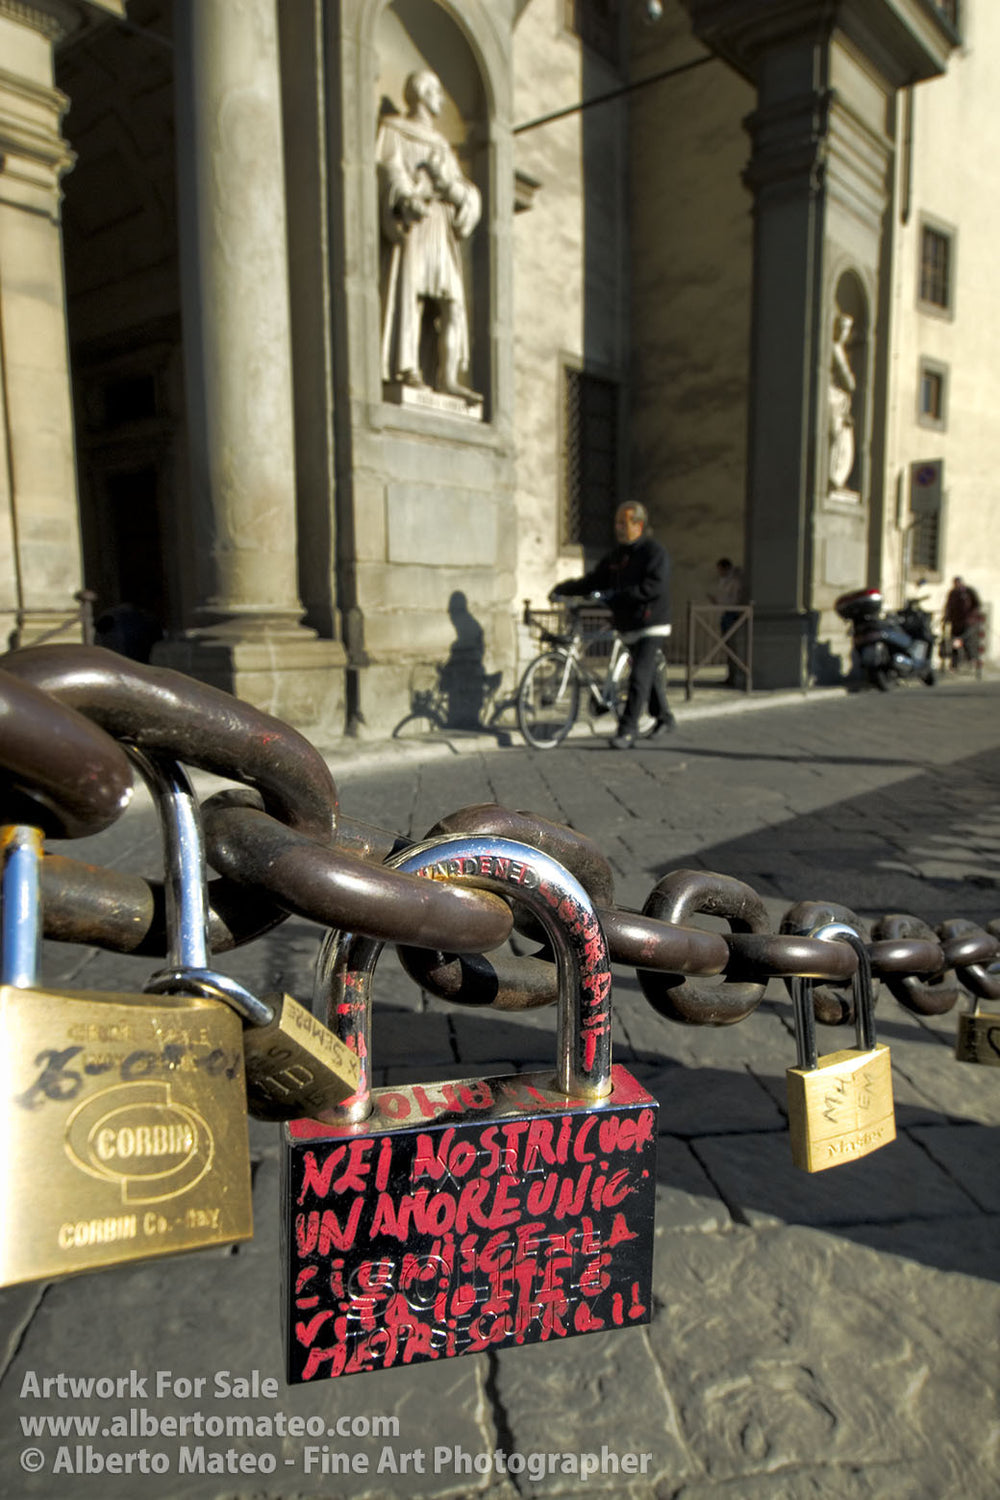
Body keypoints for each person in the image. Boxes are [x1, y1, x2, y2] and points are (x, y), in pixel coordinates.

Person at [376, 70, 481, 402]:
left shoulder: (441, 146)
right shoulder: (394, 130)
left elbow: (461, 189)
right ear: (421, 94)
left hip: (439, 225)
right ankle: (409, 369)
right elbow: (388, 169)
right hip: (415, 225)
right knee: (413, 295)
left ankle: (448, 377)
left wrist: (450, 186)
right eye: (435, 91)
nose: (440, 99)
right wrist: (408, 197)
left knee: (452, 303)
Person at [550, 501, 674, 749]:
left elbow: (653, 587)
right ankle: (665, 717)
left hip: (651, 623)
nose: (618, 527)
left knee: (638, 676)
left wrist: (618, 595)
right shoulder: (616, 556)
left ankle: (627, 730)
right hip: (627, 624)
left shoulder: (654, 552)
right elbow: (594, 580)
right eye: (616, 522)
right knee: (646, 675)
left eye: (623, 522)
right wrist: (562, 589)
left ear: (638, 524)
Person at [709, 557, 745, 686]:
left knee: (732, 646)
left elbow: (733, 599)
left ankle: (734, 677)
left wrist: (719, 602)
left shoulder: (734, 581)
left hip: (731, 613)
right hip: (725, 613)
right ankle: (730, 676)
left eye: (720, 569)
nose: (719, 572)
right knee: (727, 646)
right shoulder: (724, 580)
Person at [943, 576, 981, 670]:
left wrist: (972, 616)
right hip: (956, 623)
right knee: (955, 643)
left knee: (968, 643)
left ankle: (972, 662)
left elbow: (977, 604)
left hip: (967, 622)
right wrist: (946, 618)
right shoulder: (953, 593)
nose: (957, 585)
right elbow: (949, 606)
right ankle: (954, 664)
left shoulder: (968, 592)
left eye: (958, 583)